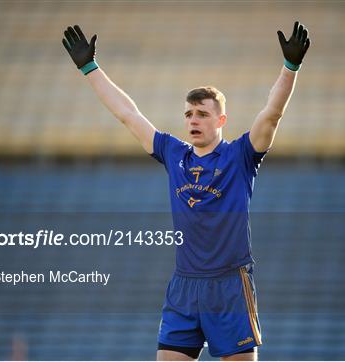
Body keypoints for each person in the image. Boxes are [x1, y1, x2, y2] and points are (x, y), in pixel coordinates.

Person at [62, 21, 310, 361]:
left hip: (228, 287)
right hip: (184, 287)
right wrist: (90, 68)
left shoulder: (240, 155)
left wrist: (290, 68)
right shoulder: (173, 153)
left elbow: (272, 114)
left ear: (220, 121)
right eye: (189, 113)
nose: (193, 120)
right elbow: (127, 114)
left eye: (203, 114)